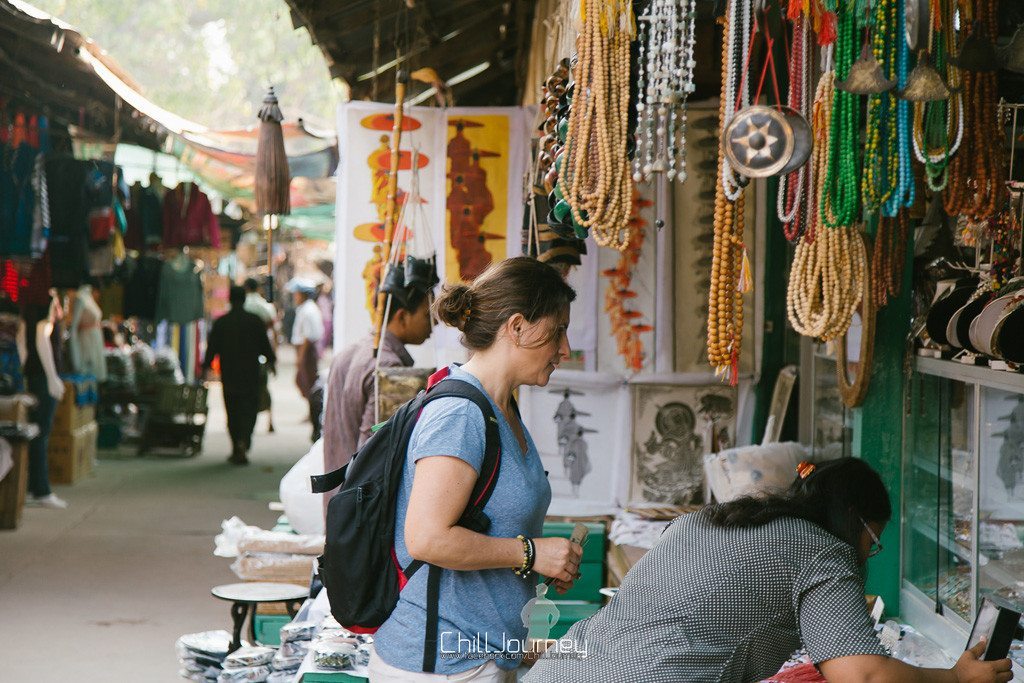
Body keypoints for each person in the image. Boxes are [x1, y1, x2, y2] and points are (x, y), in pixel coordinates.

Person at [524, 458, 1015, 683]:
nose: (869, 554)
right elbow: (860, 675)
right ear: (856, 523)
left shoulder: (706, 520)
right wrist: (955, 679)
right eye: (874, 541)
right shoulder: (822, 550)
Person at [369, 257, 584, 682]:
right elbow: (427, 538)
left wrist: (541, 562)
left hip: (480, 654)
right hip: (440, 666)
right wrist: (531, 553)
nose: (565, 349)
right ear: (517, 326)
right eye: (557, 330)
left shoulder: (500, 408)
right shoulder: (461, 414)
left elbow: (489, 529)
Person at [320, 283, 433, 512]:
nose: (435, 323)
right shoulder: (386, 366)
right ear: (402, 316)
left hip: (339, 505)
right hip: (361, 512)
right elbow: (373, 453)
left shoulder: (348, 353)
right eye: (427, 314)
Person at [203, 285, 276, 465]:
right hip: (251, 374)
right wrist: (272, 363)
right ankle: (244, 440)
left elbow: (212, 348)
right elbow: (266, 346)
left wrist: (205, 367)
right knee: (249, 409)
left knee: (233, 410)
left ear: (230, 300)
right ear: (243, 299)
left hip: (229, 374)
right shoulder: (255, 321)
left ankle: (237, 444)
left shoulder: (222, 323)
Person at [22, 295, 67, 509]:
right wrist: (52, 376)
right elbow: (42, 336)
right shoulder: (44, 300)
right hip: (42, 376)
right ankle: (41, 489)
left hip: (35, 375)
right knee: (41, 433)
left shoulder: (32, 301)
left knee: (37, 433)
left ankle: (34, 486)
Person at [243, 277, 277, 432]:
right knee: (263, 387)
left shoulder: (242, 305)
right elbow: (272, 331)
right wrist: (273, 356)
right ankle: (270, 421)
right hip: (261, 353)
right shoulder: (265, 306)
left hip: (243, 354)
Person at [289, 278, 324, 405]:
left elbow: (308, 337)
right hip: (304, 350)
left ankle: (314, 409)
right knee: (303, 381)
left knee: (309, 383)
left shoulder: (308, 310)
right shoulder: (305, 308)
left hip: (307, 351)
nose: (295, 297)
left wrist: (301, 357)